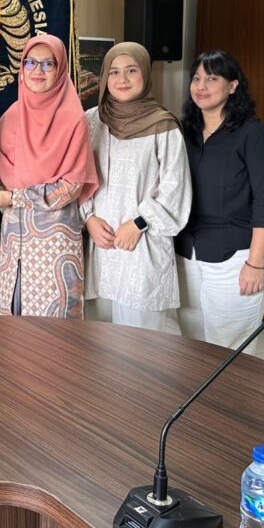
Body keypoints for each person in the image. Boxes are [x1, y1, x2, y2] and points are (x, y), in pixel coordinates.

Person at [0, 34, 98, 317]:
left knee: (52, 329)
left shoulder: (73, 120)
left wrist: (14, 197)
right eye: (31, 62)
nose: (38, 70)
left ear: (60, 71)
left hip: (54, 246)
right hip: (13, 241)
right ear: (22, 68)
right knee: (12, 320)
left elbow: (71, 187)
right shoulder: (12, 115)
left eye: (48, 64)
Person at [174, 51, 264, 349]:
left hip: (235, 258)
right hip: (187, 254)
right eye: (196, 78)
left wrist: (255, 263)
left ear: (233, 86)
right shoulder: (185, 133)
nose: (201, 86)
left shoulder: (254, 136)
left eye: (212, 78)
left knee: (229, 350)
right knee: (191, 346)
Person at [81, 43, 191, 331]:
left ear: (145, 74)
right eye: (114, 72)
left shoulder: (163, 126)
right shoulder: (91, 122)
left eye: (132, 70)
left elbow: (175, 188)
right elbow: (78, 177)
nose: (123, 79)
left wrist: (139, 223)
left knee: (143, 341)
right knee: (98, 337)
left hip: (142, 247)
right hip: (100, 247)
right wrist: (88, 219)